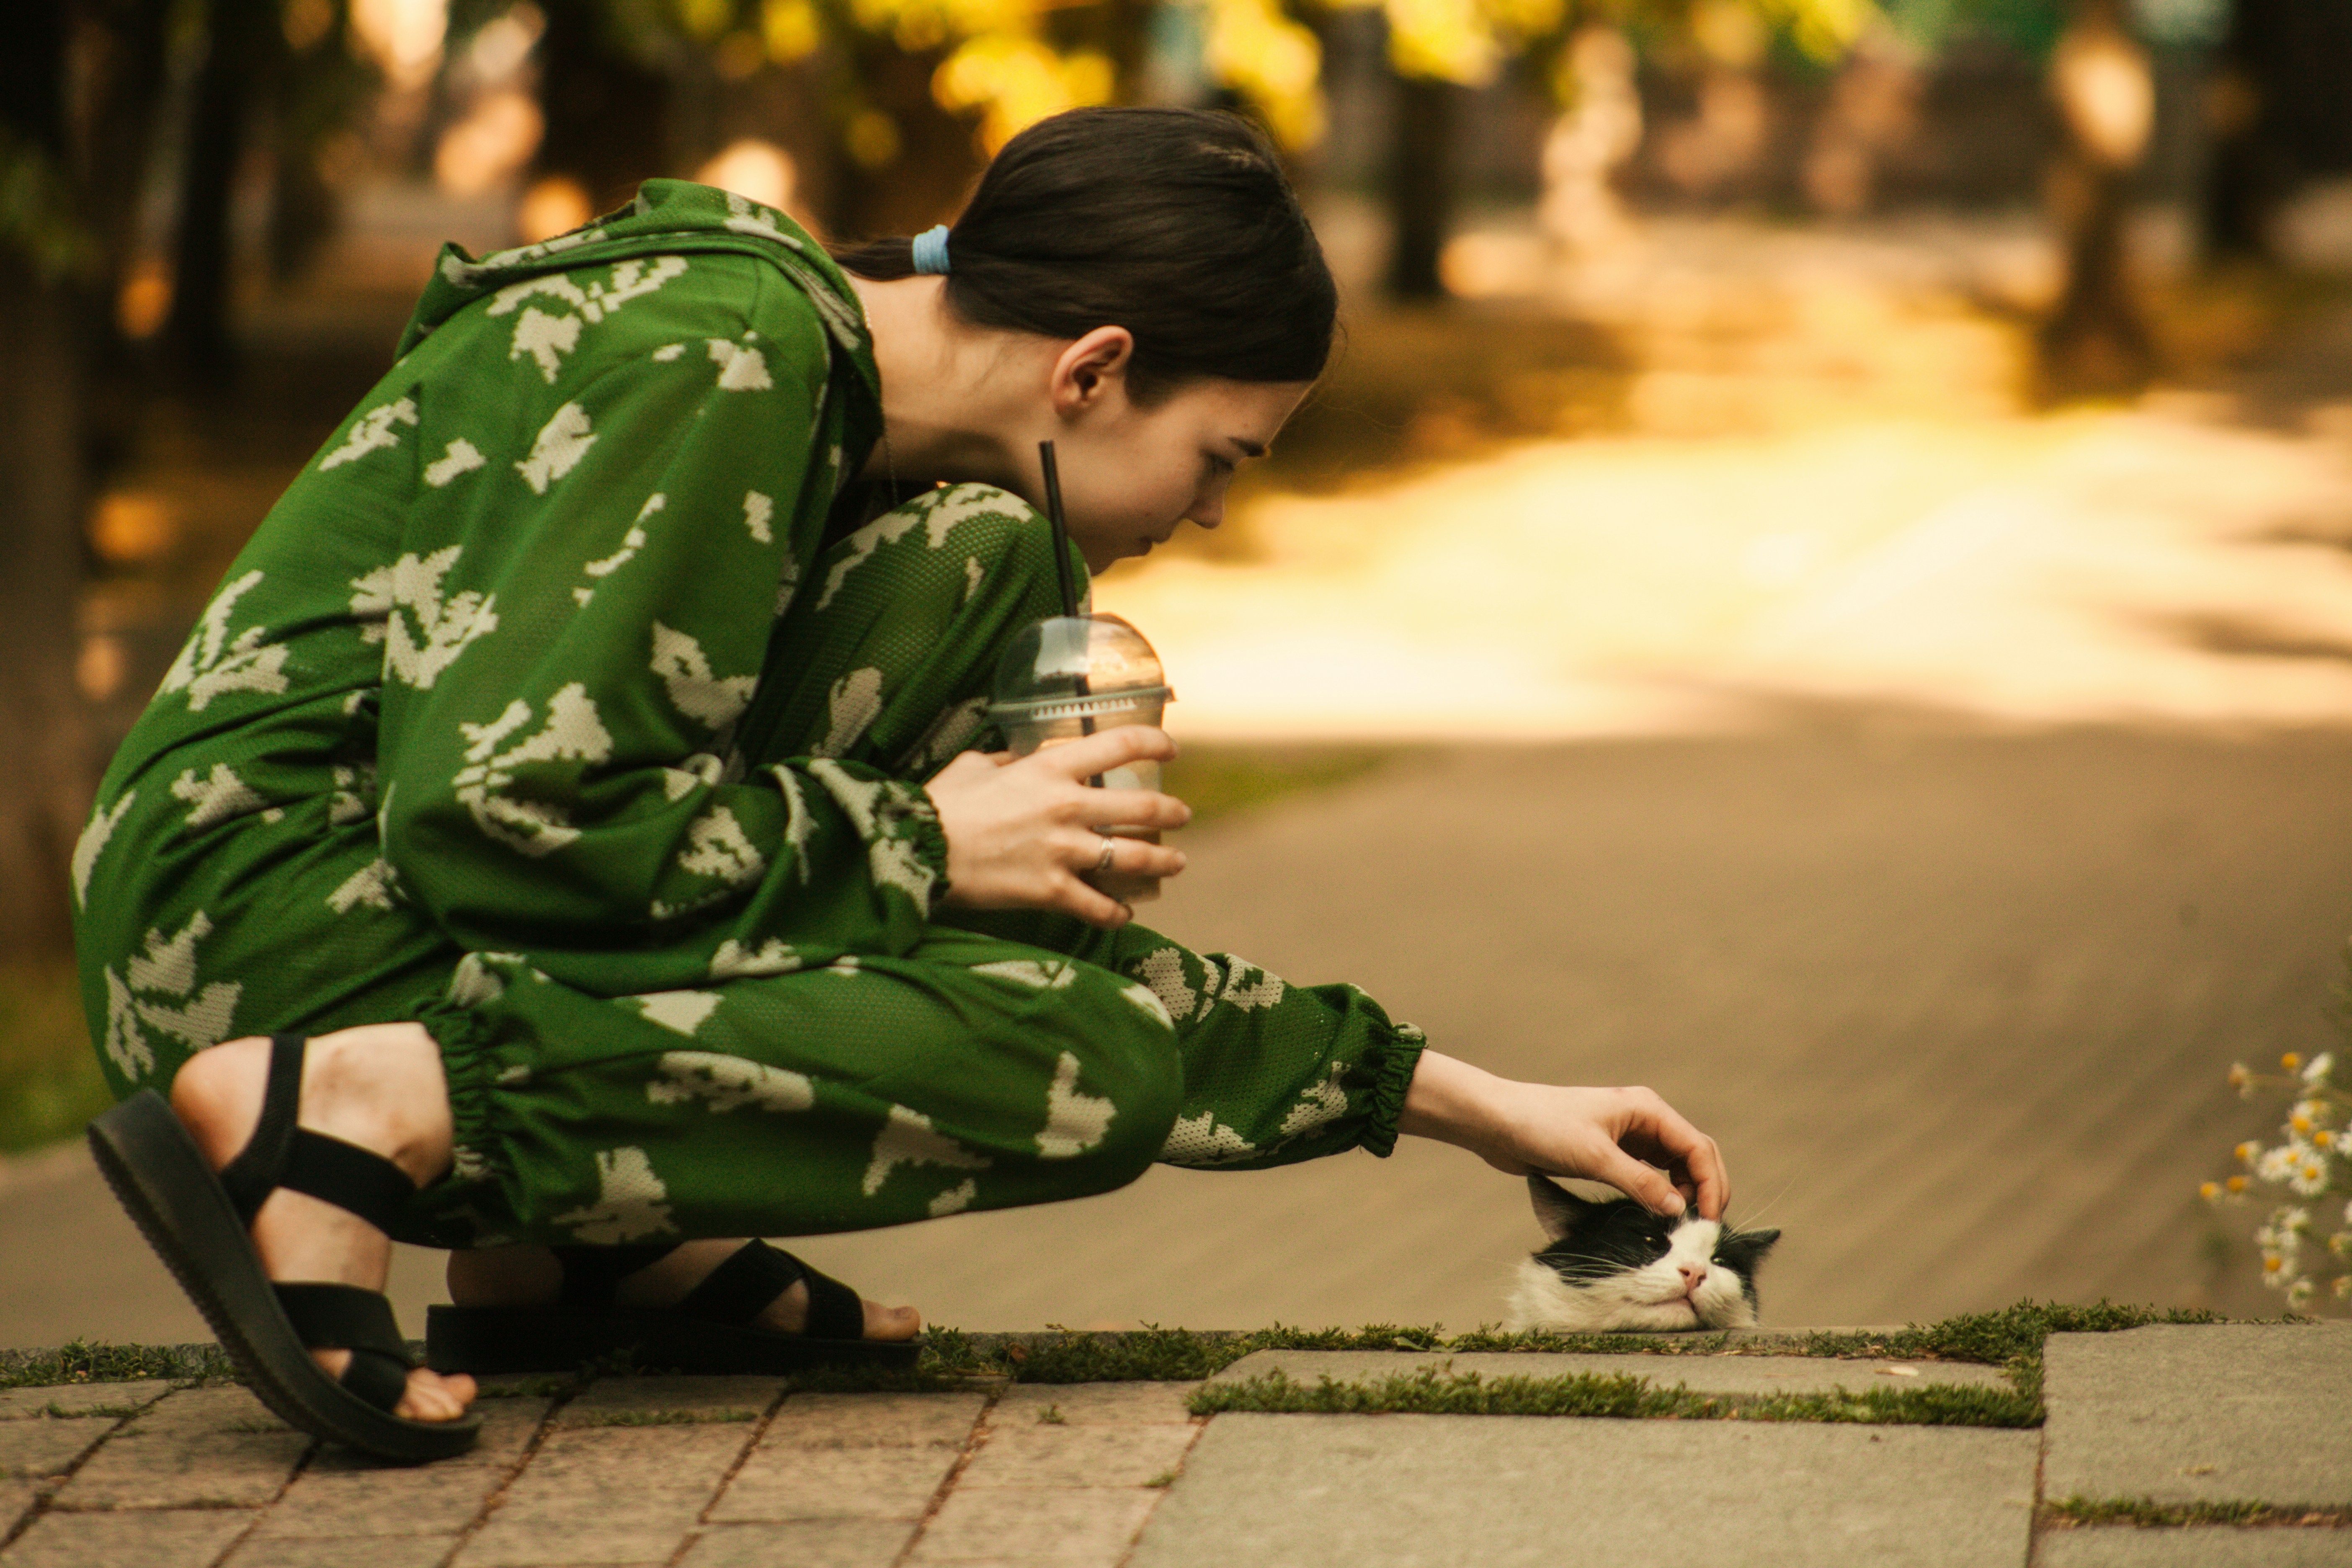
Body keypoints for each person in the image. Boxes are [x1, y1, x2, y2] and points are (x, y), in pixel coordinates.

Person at [75, 106, 1727, 1460]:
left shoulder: (843, 418)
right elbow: (505, 819)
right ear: (1091, 370)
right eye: (1223, 455)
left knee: (989, 563)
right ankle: (348, 1116)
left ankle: (579, 1249)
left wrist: (1466, 1099)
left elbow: (933, 912)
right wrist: (924, 840)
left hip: (358, 898)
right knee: (1084, 1062)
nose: (1215, 511)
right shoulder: (727, 357)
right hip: (259, 936)